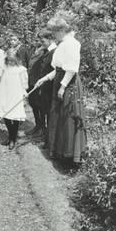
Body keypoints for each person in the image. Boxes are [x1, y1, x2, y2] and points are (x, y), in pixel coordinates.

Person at [35, 17, 86, 163]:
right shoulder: (62, 43)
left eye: (55, 32)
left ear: (63, 30)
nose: (53, 36)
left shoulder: (72, 44)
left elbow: (71, 68)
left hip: (68, 84)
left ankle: (70, 155)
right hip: (60, 80)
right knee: (58, 117)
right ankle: (59, 151)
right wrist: (44, 79)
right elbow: (58, 68)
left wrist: (63, 86)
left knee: (68, 117)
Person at [25, 30, 57, 138]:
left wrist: (42, 81)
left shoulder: (53, 51)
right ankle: (39, 127)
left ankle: (45, 132)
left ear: (50, 39)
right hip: (37, 82)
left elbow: (53, 70)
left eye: (42, 41)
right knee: (36, 105)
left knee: (45, 109)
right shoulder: (42, 50)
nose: (40, 43)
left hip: (47, 85)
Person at [0, 55, 28, 150]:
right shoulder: (5, 68)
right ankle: (10, 136)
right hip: (5, 94)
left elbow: (24, 83)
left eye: (12, 60)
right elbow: (2, 80)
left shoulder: (21, 70)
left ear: (17, 60)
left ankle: (13, 139)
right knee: (6, 115)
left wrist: (24, 93)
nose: (10, 62)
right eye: (9, 60)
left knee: (15, 116)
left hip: (16, 95)